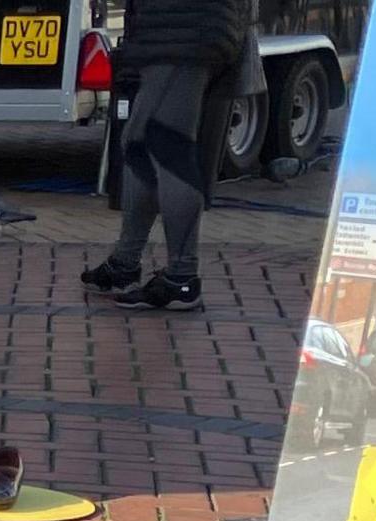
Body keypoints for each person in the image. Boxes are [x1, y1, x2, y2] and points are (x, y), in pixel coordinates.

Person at [89, 0, 251, 313]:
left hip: (182, 31)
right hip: (177, 30)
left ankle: (181, 277)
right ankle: (125, 262)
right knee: (139, 144)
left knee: (168, 147)